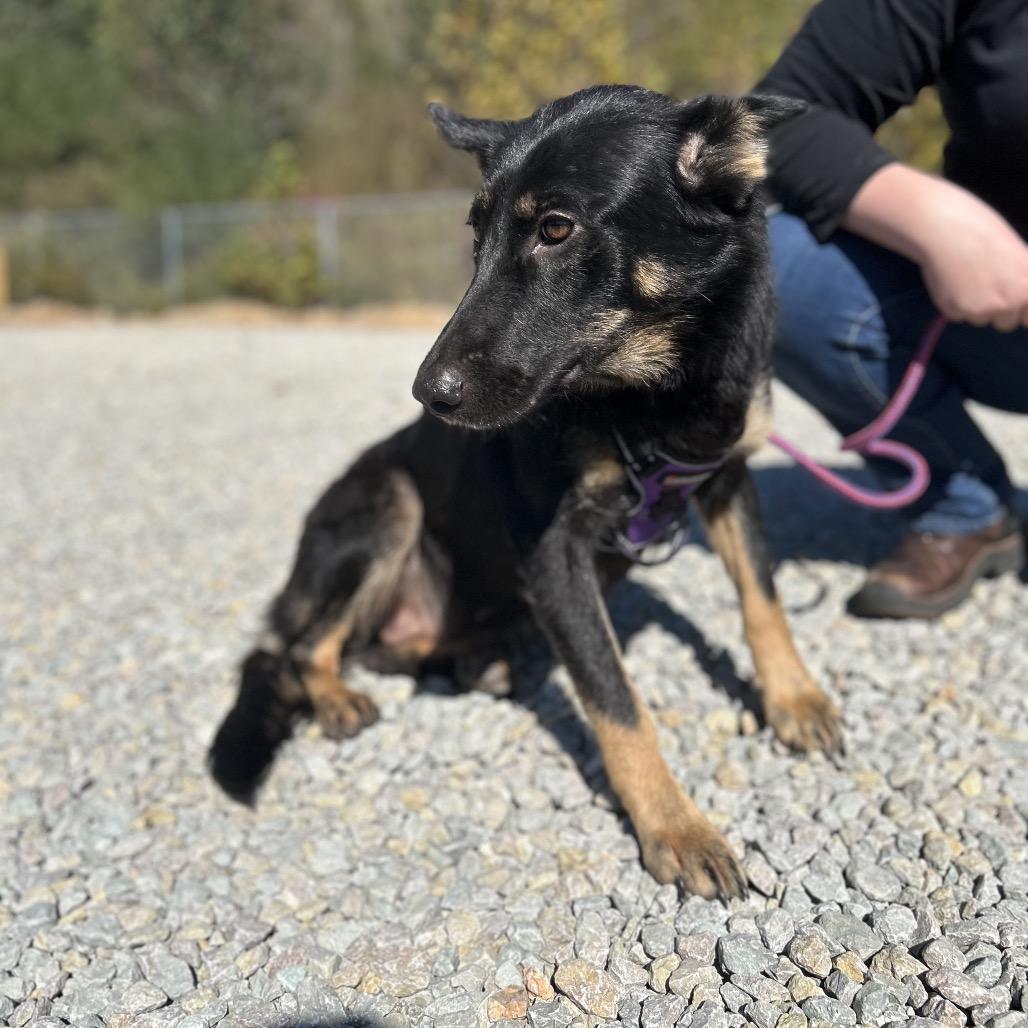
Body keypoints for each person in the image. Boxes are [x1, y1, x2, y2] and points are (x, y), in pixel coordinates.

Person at [756, 0, 1028, 618]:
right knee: (771, 266)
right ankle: (961, 501)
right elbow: (783, 116)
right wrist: (941, 224)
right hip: (1002, 315)